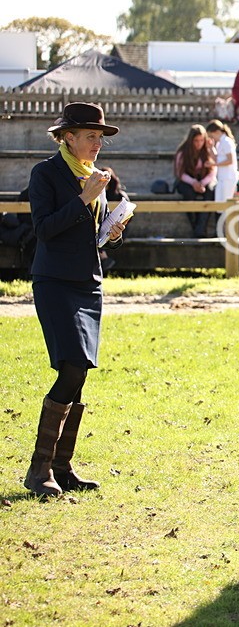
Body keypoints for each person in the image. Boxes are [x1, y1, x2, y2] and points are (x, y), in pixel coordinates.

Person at [24, 102, 131, 497]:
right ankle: (39, 472)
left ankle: (62, 468)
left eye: (100, 137)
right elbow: (45, 229)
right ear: (67, 137)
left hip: (89, 283)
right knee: (70, 368)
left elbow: (89, 233)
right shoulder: (46, 174)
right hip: (54, 282)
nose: (97, 143)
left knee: (81, 370)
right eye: (90, 136)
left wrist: (112, 231)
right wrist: (84, 199)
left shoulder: (96, 178)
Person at [173, 124, 216, 237]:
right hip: (187, 181)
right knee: (189, 194)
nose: (199, 144)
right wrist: (193, 183)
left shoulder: (207, 151)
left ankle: (201, 226)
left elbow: (213, 171)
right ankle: (195, 225)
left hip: (204, 181)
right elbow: (180, 173)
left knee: (211, 192)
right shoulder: (182, 153)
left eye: (201, 140)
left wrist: (202, 183)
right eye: (196, 141)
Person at [206, 120, 239, 202]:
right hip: (222, 177)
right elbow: (218, 158)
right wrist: (210, 148)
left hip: (228, 178)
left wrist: (214, 164)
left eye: (211, 135)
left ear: (217, 132)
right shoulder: (220, 143)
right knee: (219, 204)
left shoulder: (227, 142)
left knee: (226, 204)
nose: (212, 138)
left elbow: (230, 160)